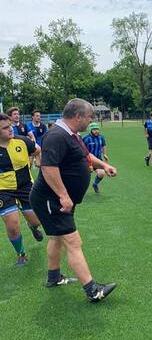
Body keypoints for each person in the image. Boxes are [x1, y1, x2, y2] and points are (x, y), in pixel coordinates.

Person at [29, 99, 118, 303]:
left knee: (56, 238)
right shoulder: (56, 136)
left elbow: (86, 157)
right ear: (78, 116)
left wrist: (104, 165)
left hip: (58, 200)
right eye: (89, 117)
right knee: (73, 241)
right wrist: (63, 196)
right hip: (51, 200)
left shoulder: (72, 134)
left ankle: (53, 278)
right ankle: (93, 290)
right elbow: (48, 168)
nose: (90, 121)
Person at [0, 112, 43, 266]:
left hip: (25, 186)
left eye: (10, 125)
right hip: (3, 190)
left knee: (36, 220)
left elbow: (37, 150)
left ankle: (32, 226)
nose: (10, 129)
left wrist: (37, 160)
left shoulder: (23, 141)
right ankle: (21, 253)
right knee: (12, 225)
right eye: (5, 128)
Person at [83, 122, 109, 193]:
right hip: (87, 161)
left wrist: (104, 154)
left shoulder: (101, 137)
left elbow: (104, 145)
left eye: (97, 129)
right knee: (85, 176)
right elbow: (81, 148)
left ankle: (95, 184)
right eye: (94, 129)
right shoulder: (86, 138)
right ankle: (81, 189)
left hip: (98, 159)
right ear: (90, 130)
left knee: (101, 173)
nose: (96, 131)